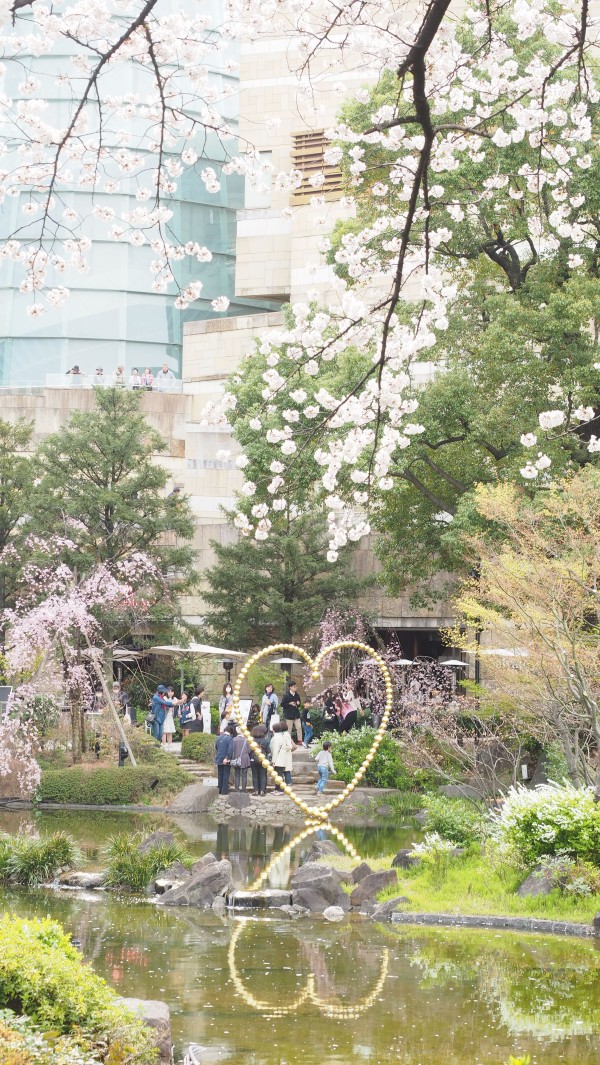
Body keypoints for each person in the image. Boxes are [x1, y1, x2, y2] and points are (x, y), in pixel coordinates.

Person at [270, 720, 296, 792]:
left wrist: (283, 749)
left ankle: (285, 786)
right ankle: (282, 787)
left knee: (283, 772)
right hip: (283, 756)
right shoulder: (282, 735)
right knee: (282, 772)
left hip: (281, 757)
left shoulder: (284, 735)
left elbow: (289, 746)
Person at [215, 721, 235, 794]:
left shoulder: (218, 737)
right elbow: (230, 750)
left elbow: (216, 747)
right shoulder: (230, 739)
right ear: (231, 732)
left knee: (220, 774)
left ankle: (219, 790)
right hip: (226, 759)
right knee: (226, 774)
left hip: (219, 758)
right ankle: (224, 791)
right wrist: (227, 758)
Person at [249, 724, 269, 795]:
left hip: (253, 759)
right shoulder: (265, 741)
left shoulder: (251, 741)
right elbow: (268, 751)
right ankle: (262, 791)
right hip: (263, 759)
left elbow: (249, 751)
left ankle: (256, 790)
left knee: (255, 775)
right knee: (263, 775)